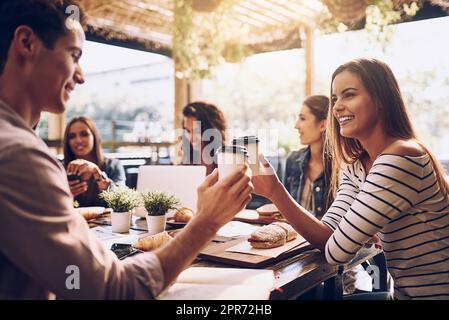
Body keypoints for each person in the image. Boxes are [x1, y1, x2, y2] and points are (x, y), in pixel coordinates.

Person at [0, 0, 252, 299]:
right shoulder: (20, 154)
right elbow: (112, 290)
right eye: (74, 55)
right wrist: (205, 223)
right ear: (26, 43)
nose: (81, 76)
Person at [253, 58, 449, 300]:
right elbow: (328, 232)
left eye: (349, 95)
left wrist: (276, 191)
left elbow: (336, 252)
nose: (336, 107)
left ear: (380, 100)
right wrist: (275, 191)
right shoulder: (357, 166)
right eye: (335, 99)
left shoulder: (401, 157)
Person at [283, 95, 330, 219]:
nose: (296, 125)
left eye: (302, 119)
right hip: (295, 237)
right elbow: (284, 210)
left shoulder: (341, 167)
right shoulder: (293, 160)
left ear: (322, 125)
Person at [63, 116, 126, 207]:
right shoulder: (60, 169)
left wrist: (97, 173)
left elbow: (123, 202)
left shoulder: (113, 166)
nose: (78, 140)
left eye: (84, 134)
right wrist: (62, 195)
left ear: (94, 137)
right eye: (72, 136)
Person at [182, 101, 227, 175]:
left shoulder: (226, 162)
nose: (191, 138)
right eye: (188, 131)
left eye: (197, 131)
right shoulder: (187, 162)